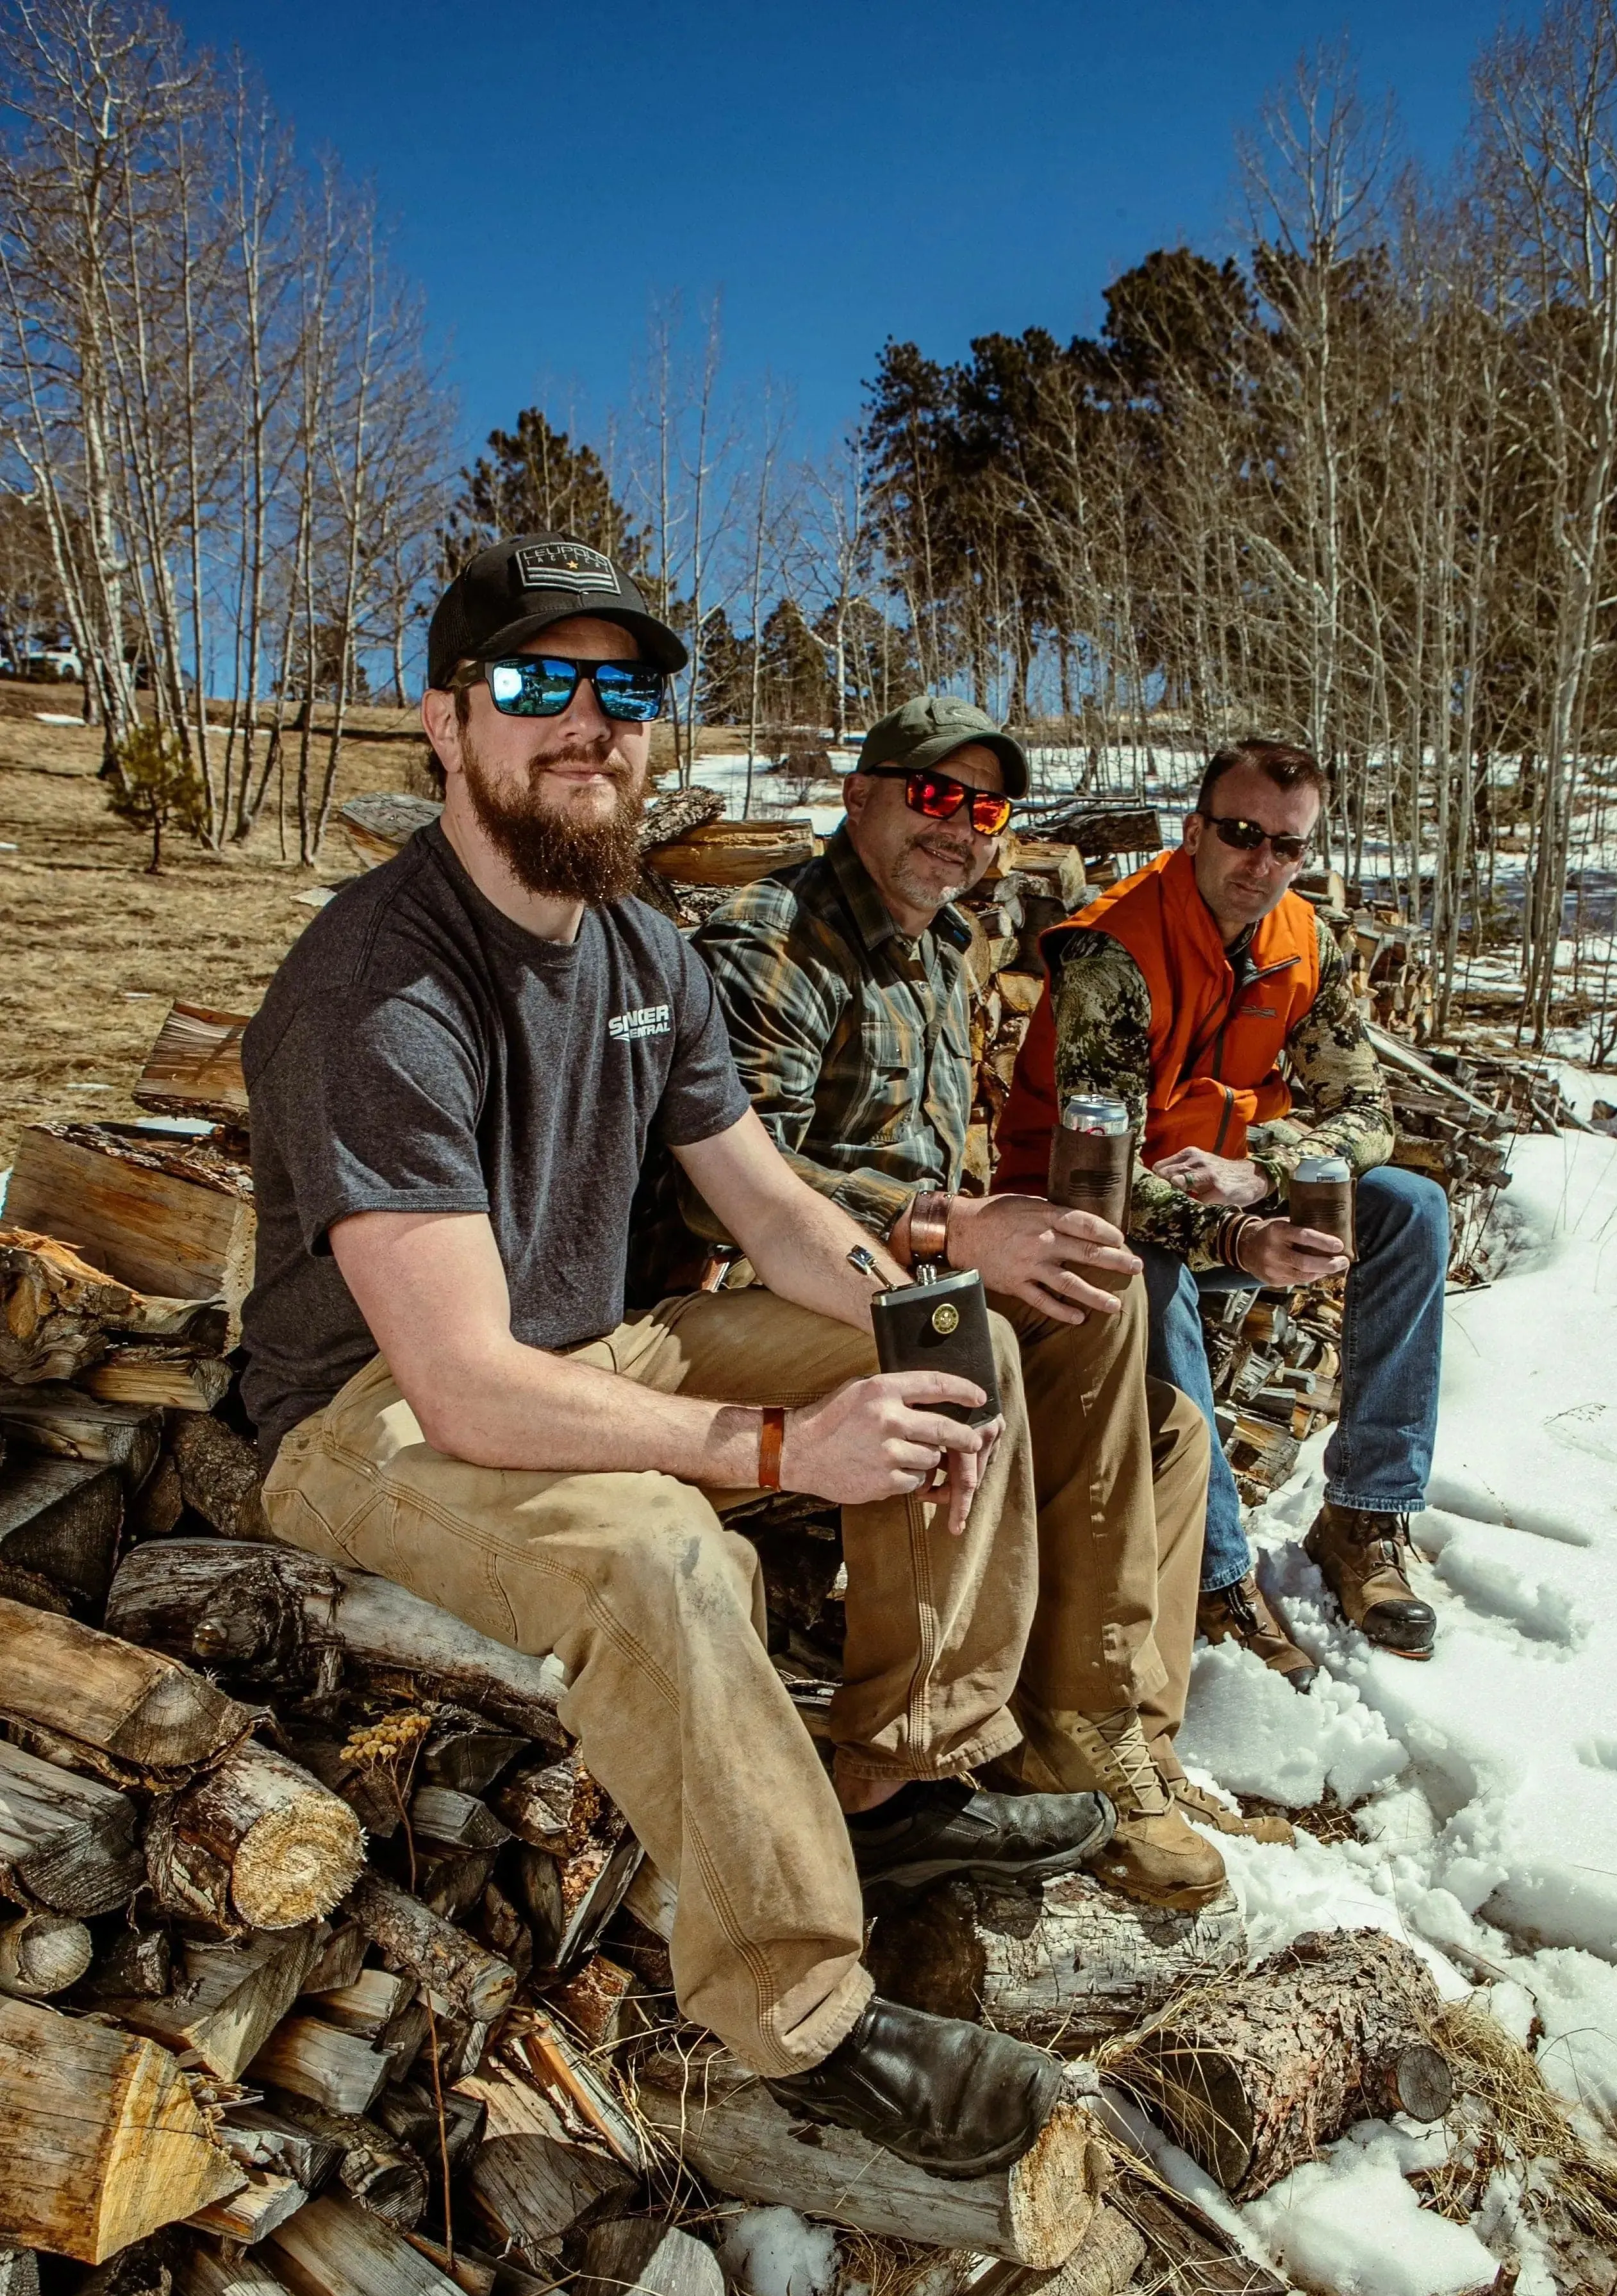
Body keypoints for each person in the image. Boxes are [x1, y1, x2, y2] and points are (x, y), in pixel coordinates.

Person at [240, 536, 1119, 2182]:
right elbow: (462, 1383)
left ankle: (905, 1778)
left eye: (621, 688)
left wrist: (918, 1333)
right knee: (663, 1551)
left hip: (601, 1341)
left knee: (960, 1340)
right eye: (535, 684)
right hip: (374, 1415)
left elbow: (775, 1209)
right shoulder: (380, 987)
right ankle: (803, 2026)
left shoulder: (643, 952)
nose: (588, 722)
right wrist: (784, 1452)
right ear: (444, 722)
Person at [690, 695, 1291, 1904]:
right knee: (1043, 1332)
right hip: (762, 1291)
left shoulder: (938, 952)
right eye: (934, 794)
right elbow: (737, 1184)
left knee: (1163, 1424)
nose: (960, 828)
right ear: (859, 795)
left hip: (894, 1281)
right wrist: (954, 1226)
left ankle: (1120, 1736)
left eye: (986, 809)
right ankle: (984, 1749)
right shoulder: (775, 939)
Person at [995, 736, 1447, 1684]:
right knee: (1147, 1277)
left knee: (1410, 1209)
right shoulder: (1111, 953)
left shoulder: (1307, 942)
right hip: (1074, 1209)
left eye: (1290, 846)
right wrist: (1240, 1234)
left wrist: (1263, 1171)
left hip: (1221, 1197)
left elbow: (1366, 1113)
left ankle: (1365, 1514)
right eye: (1243, 835)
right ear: (1195, 830)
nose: (1266, 864)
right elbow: (1098, 1176)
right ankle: (1215, 1576)